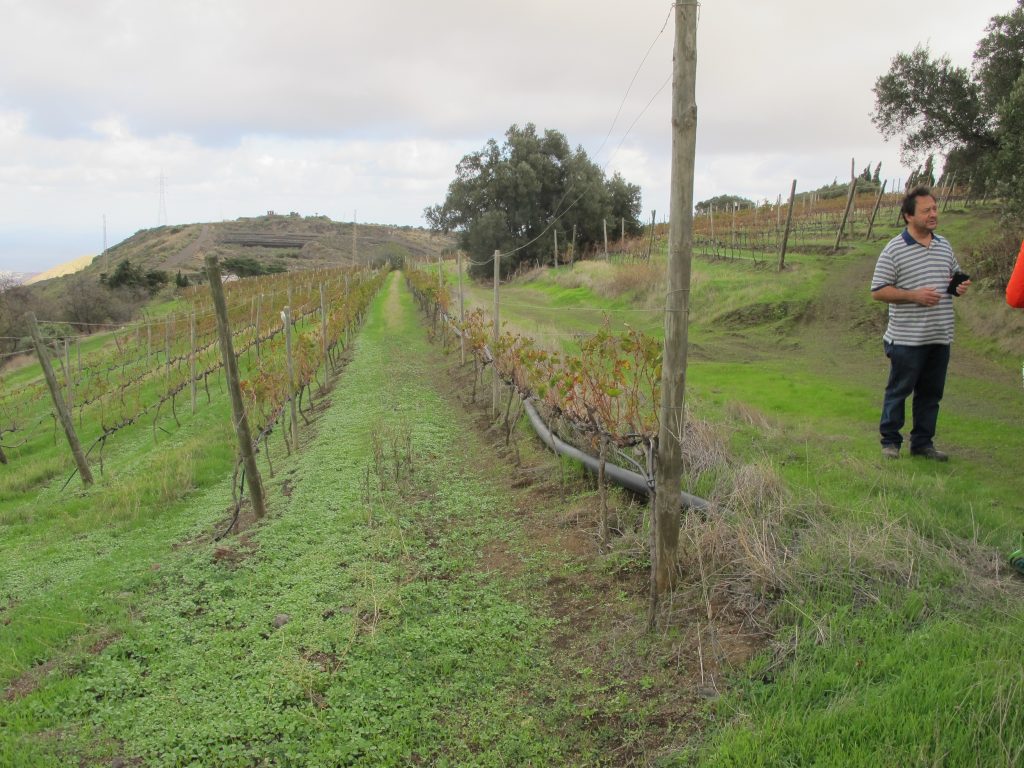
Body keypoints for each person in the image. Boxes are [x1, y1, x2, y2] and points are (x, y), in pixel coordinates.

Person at [870, 186, 970, 461]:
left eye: (934, 209)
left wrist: (957, 287)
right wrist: (913, 296)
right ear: (908, 216)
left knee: (931, 395)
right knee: (899, 391)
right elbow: (878, 290)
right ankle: (890, 442)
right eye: (926, 211)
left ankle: (922, 444)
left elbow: (953, 277)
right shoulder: (894, 250)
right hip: (906, 340)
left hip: (939, 336)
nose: (933, 214)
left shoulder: (943, 245)